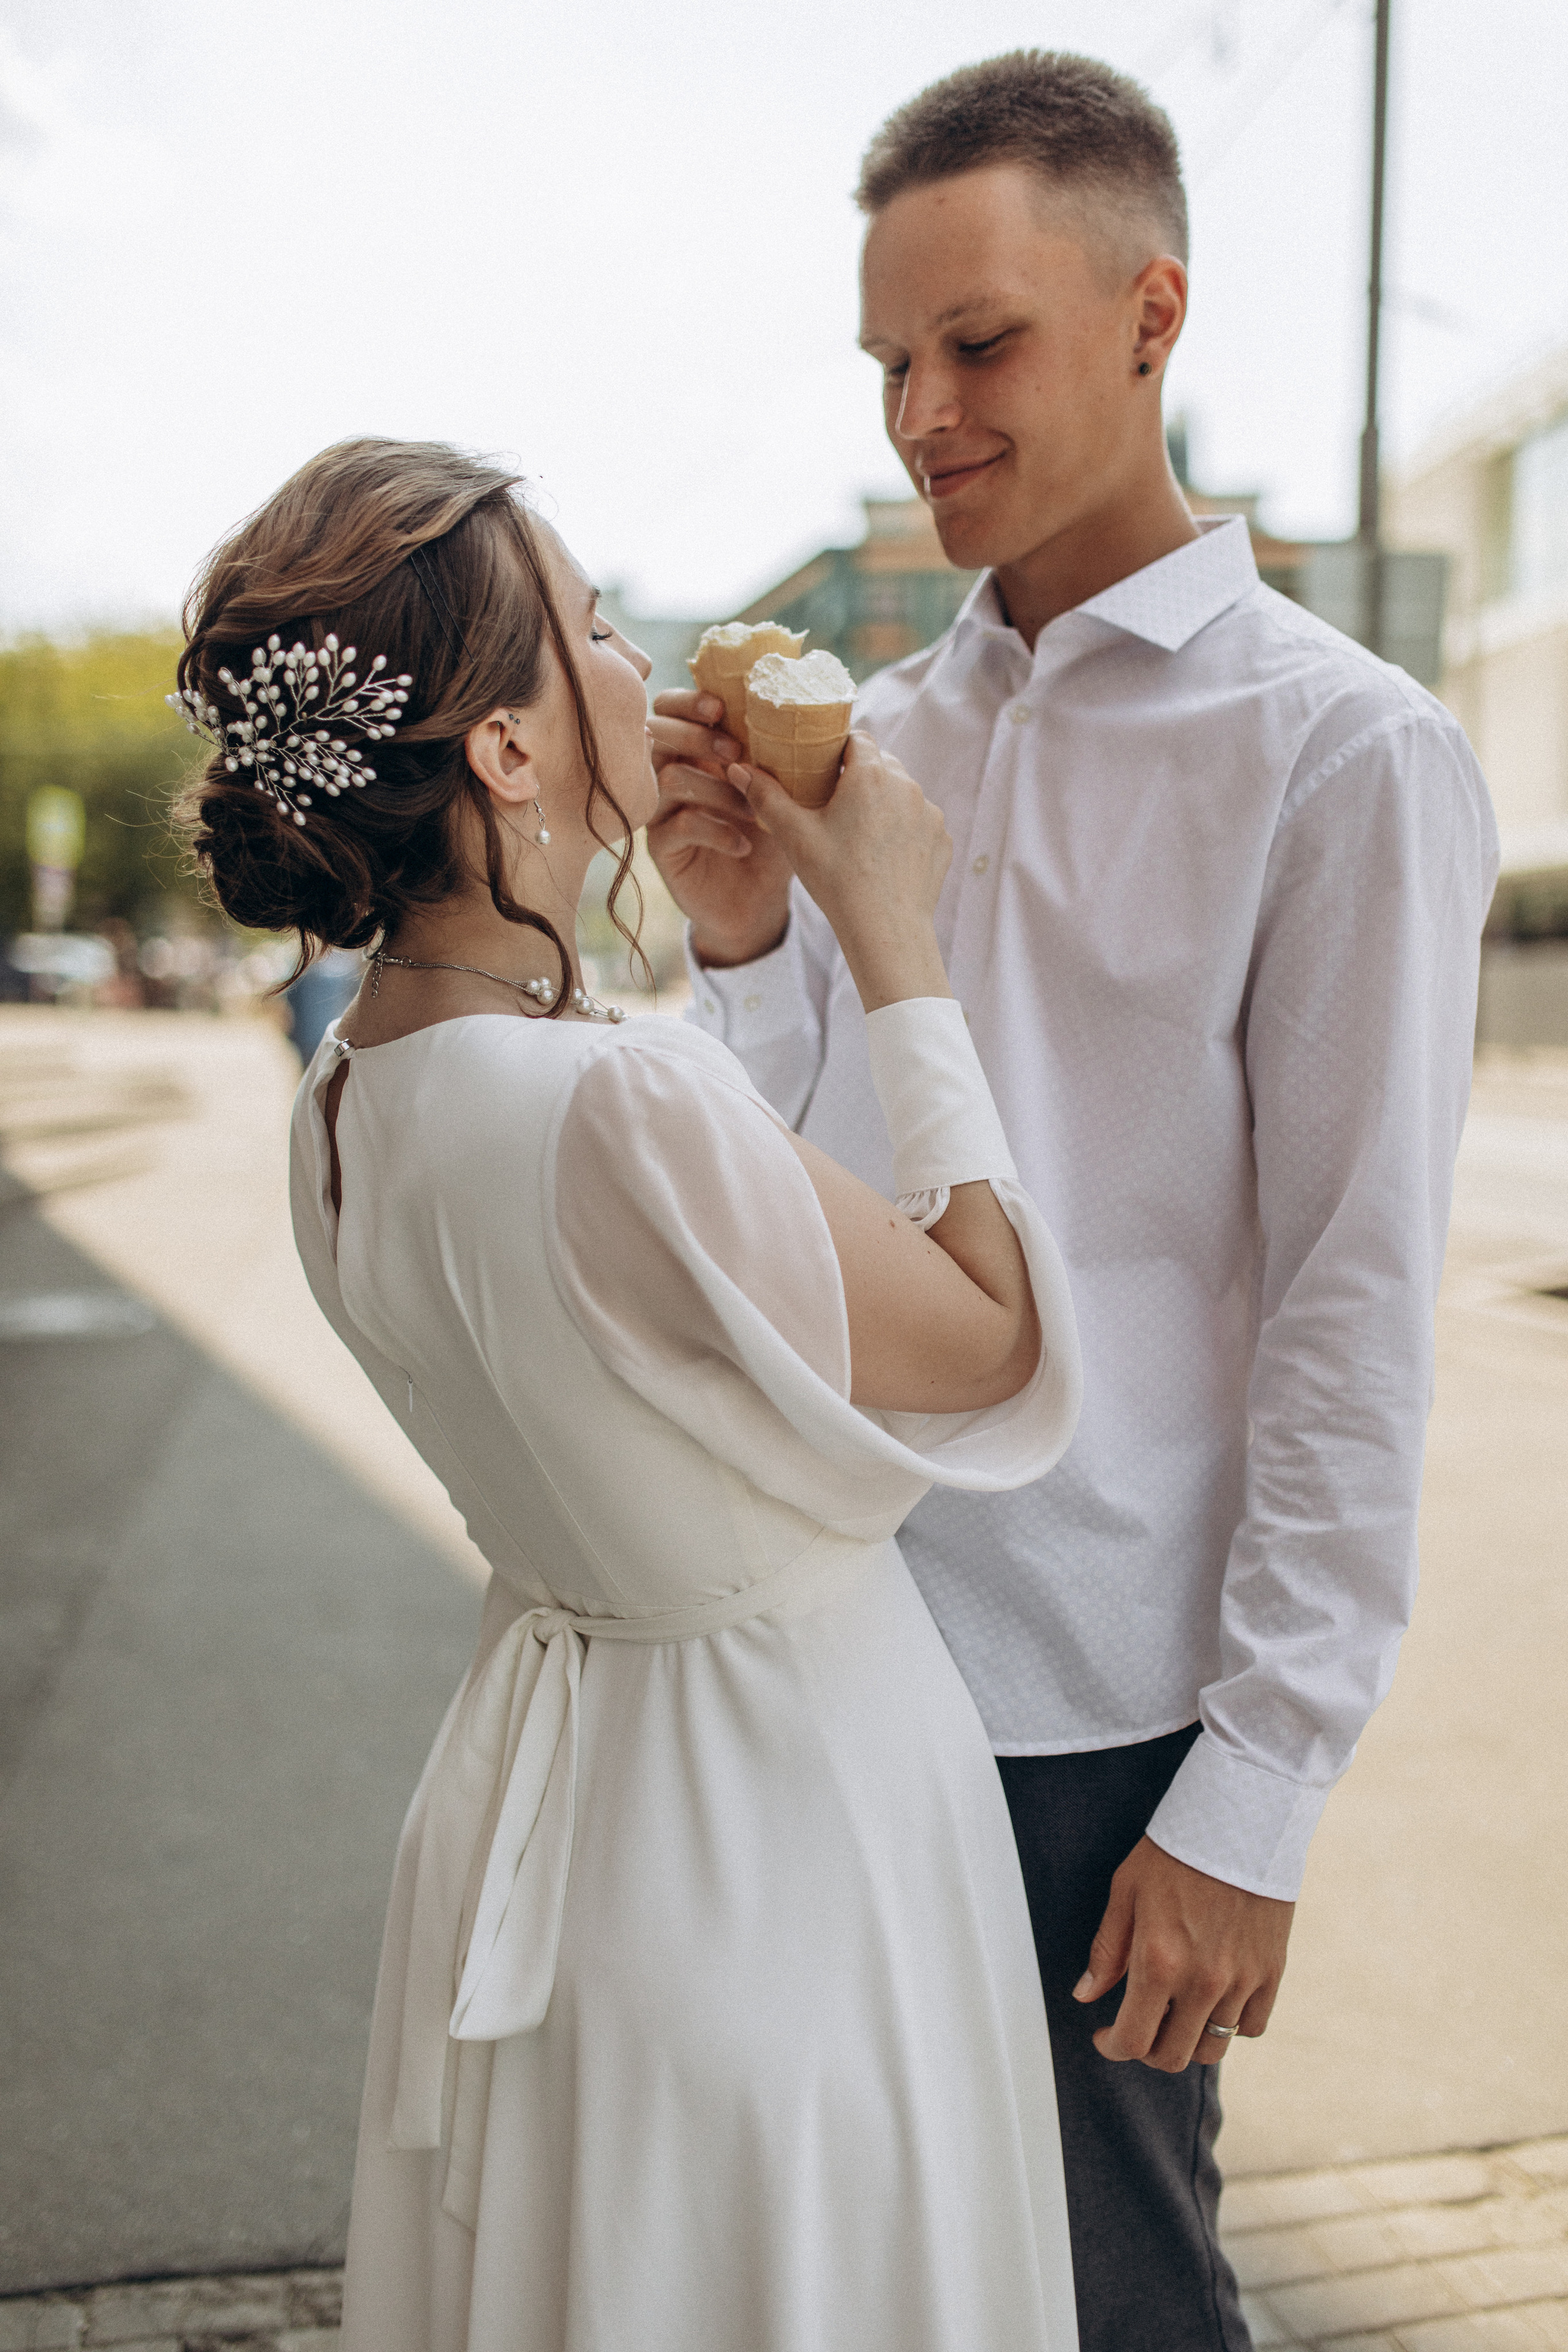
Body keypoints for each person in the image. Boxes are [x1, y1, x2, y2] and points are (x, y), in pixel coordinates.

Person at [648, 51, 1500, 2352]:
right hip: (814, 1650)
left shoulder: (1344, 753)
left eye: (980, 343)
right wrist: (738, 942)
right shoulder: (880, 733)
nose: (922, 412)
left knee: (1111, 2309)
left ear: (1155, 312)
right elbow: (788, 1198)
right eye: (890, 362)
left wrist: (1263, 1790)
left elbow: (1355, 1304)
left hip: (1094, 1719)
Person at [172, 436, 1088, 2352]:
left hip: (560, 1826)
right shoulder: (614, 1100)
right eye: (591, 626)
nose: (633, 657)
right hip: (781, 1835)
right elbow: (992, 1339)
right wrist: (894, 934)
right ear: (506, 753)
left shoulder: (343, 1108)